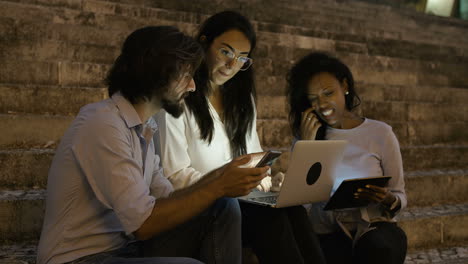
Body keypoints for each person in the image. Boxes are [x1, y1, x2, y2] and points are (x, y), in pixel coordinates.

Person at [36, 26, 270, 264]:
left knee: (223, 208)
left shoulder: (144, 129)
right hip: (79, 258)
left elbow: (168, 197)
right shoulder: (103, 122)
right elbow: (143, 224)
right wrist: (219, 185)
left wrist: (223, 174)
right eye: (185, 75)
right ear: (156, 72)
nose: (192, 86)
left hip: (126, 249)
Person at [150, 11, 326, 264]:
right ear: (204, 42)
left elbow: (254, 164)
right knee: (269, 216)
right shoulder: (177, 98)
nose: (232, 65)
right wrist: (229, 185)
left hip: (242, 202)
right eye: (225, 52)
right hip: (200, 208)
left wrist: (272, 175)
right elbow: (175, 177)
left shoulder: (243, 102)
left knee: (292, 209)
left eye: (242, 58)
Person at [287, 51, 408, 264]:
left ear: (344, 86)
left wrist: (387, 199)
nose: (322, 104)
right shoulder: (307, 138)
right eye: (313, 99)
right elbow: (299, 205)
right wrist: (307, 147)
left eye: (328, 93)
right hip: (326, 234)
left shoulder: (380, 133)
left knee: (380, 247)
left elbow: (400, 195)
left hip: (372, 228)